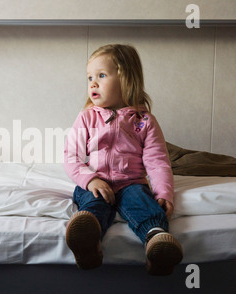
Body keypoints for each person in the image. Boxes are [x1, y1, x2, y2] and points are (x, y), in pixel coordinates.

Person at [63, 44, 183, 275]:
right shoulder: (87, 117)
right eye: (89, 77)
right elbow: (71, 157)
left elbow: (157, 161)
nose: (93, 83)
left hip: (131, 183)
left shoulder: (143, 120)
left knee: (142, 202)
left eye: (101, 75)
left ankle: (156, 242)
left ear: (126, 78)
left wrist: (164, 193)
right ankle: (88, 242)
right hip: (96, 181)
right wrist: (90, 181)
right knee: (93, 203)